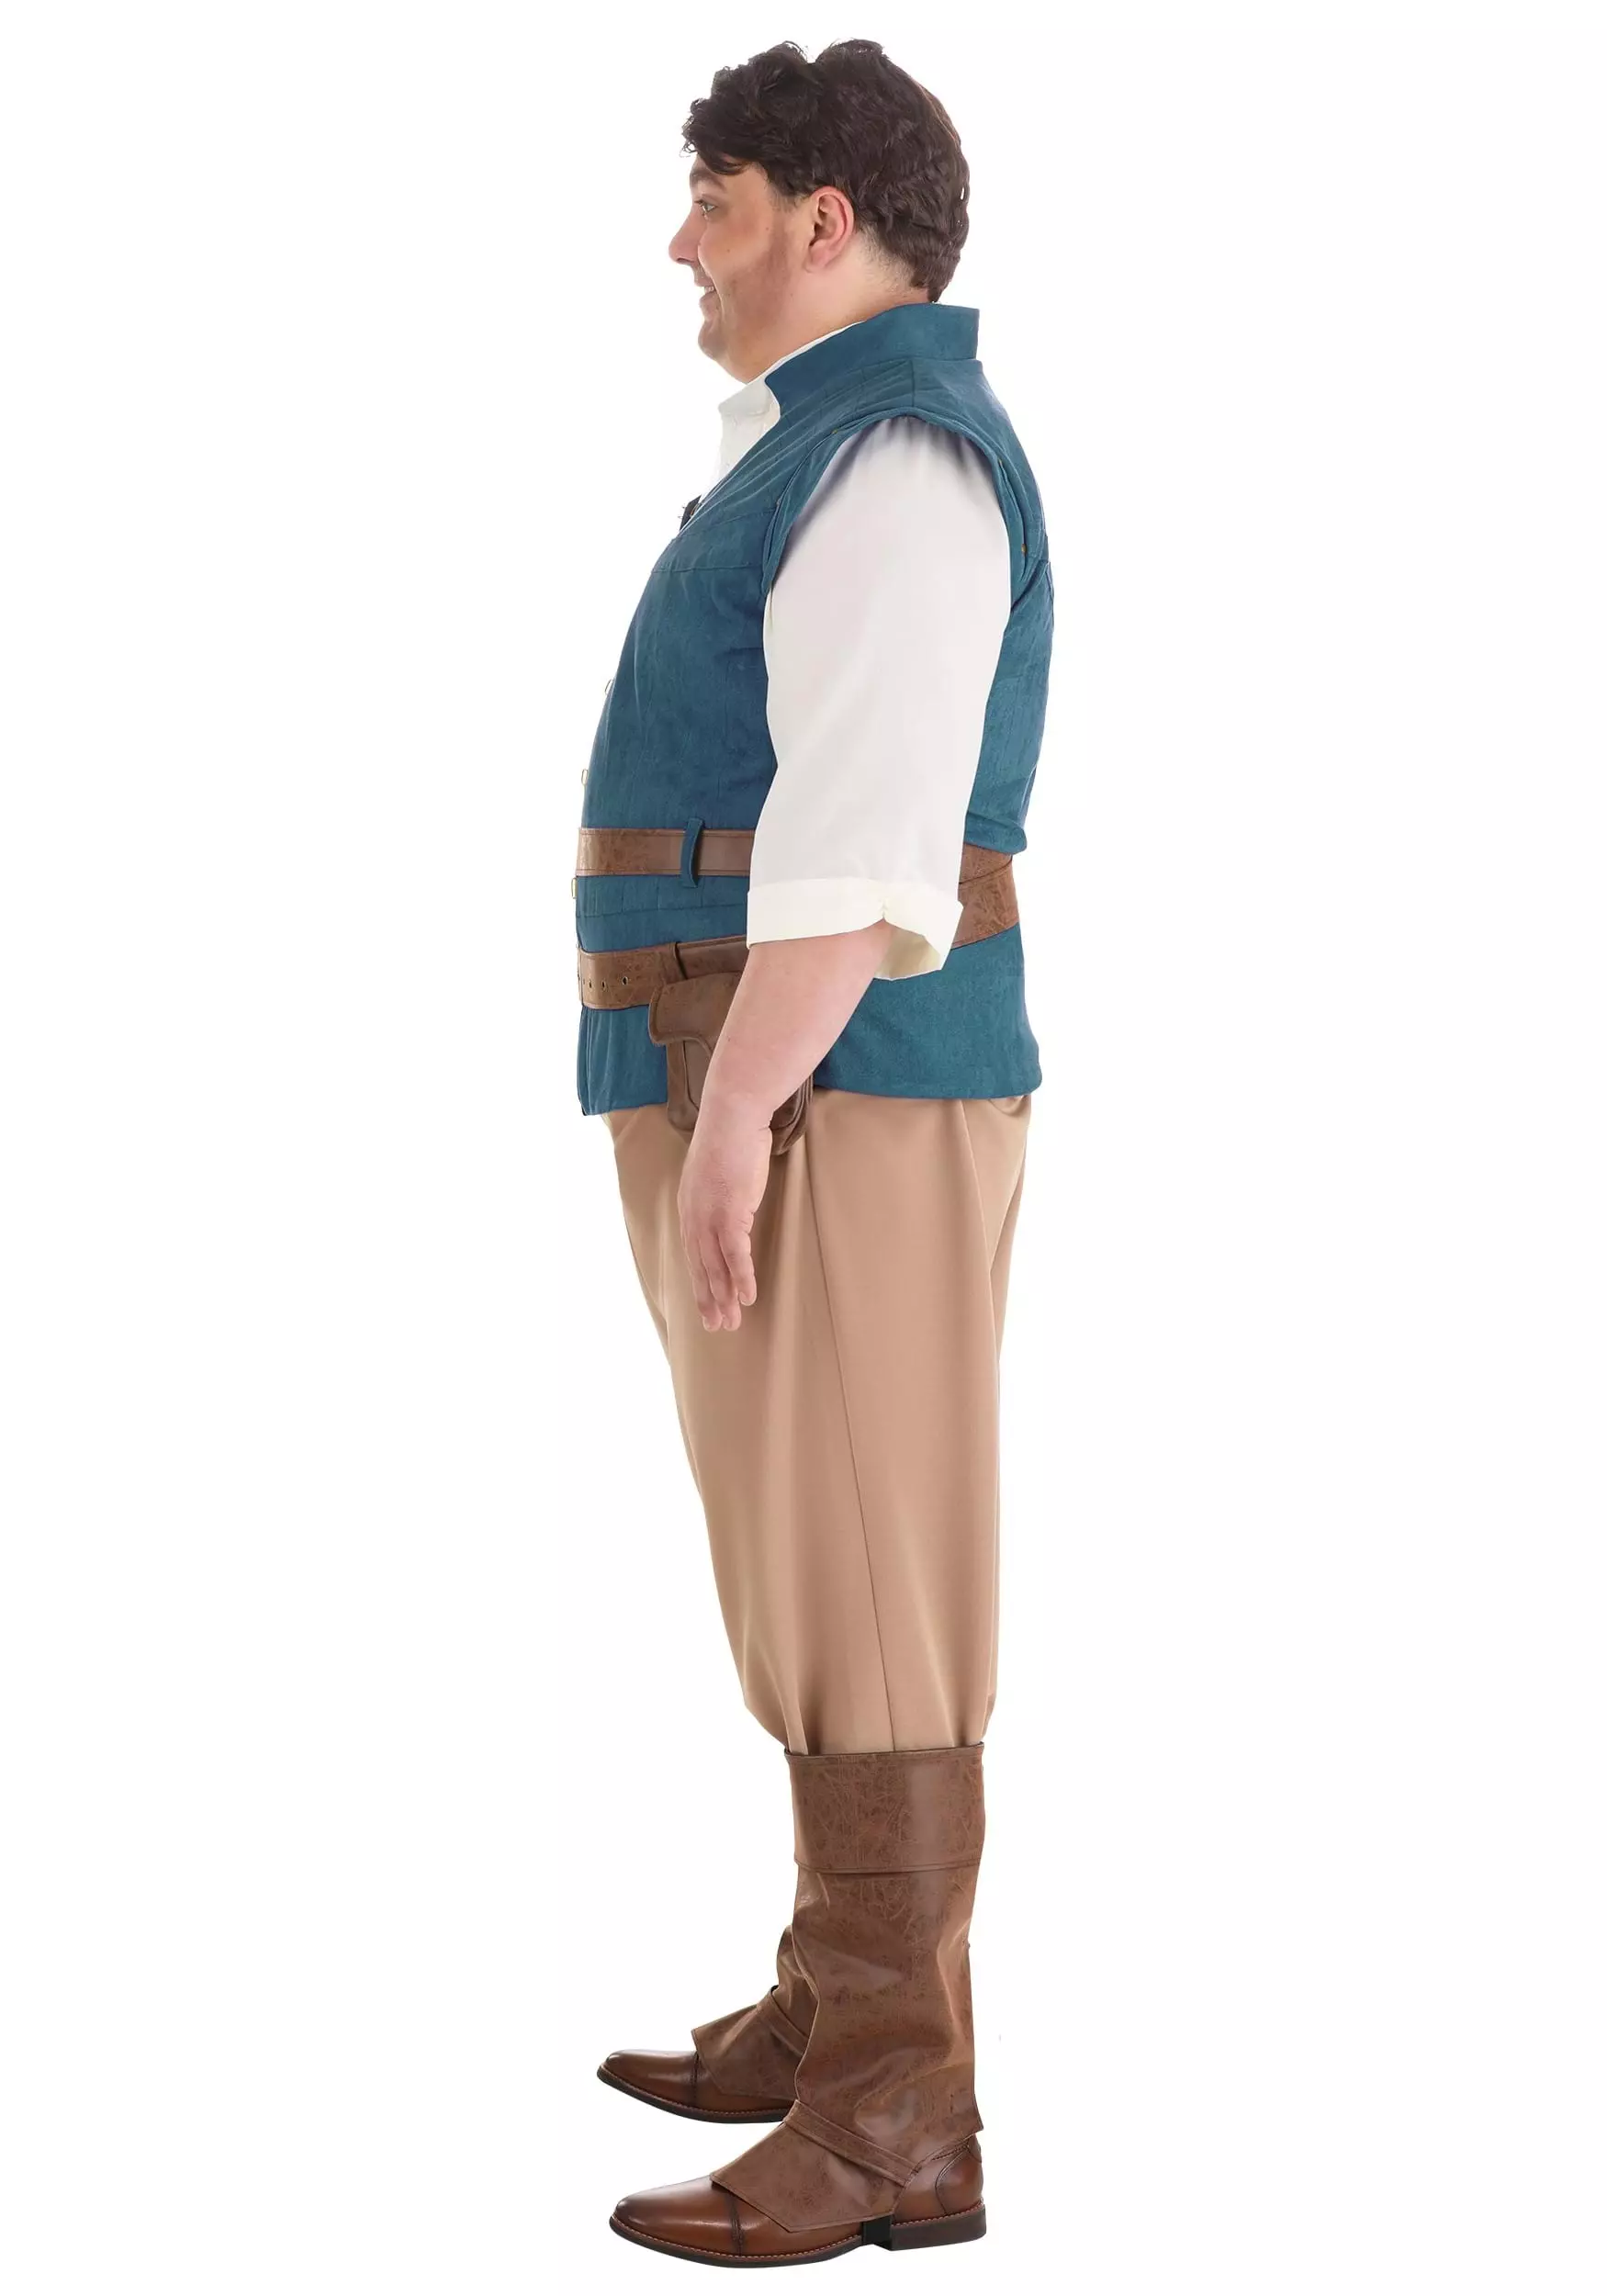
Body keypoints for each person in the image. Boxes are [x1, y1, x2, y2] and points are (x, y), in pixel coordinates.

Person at [573, 38, 1052, 2268]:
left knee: (873, 1572)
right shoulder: (817, 447)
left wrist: (741, 1117)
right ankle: (840, 1994)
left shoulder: (895, 458)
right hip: (768, 1074)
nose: (682, 240)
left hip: (833, 1084)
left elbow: (862, 853)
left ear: (824, 221)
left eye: (717, 195)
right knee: (806, 1554)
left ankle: (896, 2111)